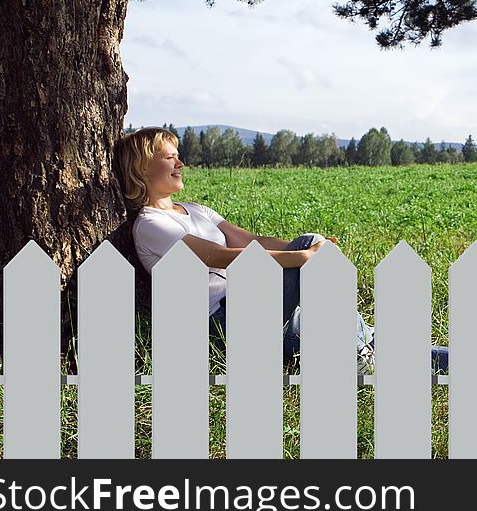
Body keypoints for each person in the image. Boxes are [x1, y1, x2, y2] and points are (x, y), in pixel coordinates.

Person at [118, 127, 458, 374]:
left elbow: (248, 241)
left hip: (257, 305)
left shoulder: (194, 209)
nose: (180, 163)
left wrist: (310, 251)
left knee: (358, 338)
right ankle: (363, 349)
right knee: (355, 339)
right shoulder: (150, 224)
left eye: (179, 156)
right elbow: (213, 255)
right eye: (169, 157)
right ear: (142, 168)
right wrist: (297, 260)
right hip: (222, 323)